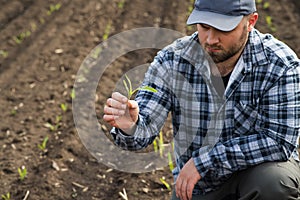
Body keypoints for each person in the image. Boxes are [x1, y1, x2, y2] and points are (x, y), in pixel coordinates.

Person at [103, 0, 300, 199]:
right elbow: (144, 131)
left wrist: (207, 160)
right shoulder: (172, 61)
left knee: (275, 182)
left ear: (250, 22)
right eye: (204, 27)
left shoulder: (279, 65)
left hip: (255, 176)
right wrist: (131, 126)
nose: (211, 39)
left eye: (223, 29)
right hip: (200, 186)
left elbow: (279, 141)